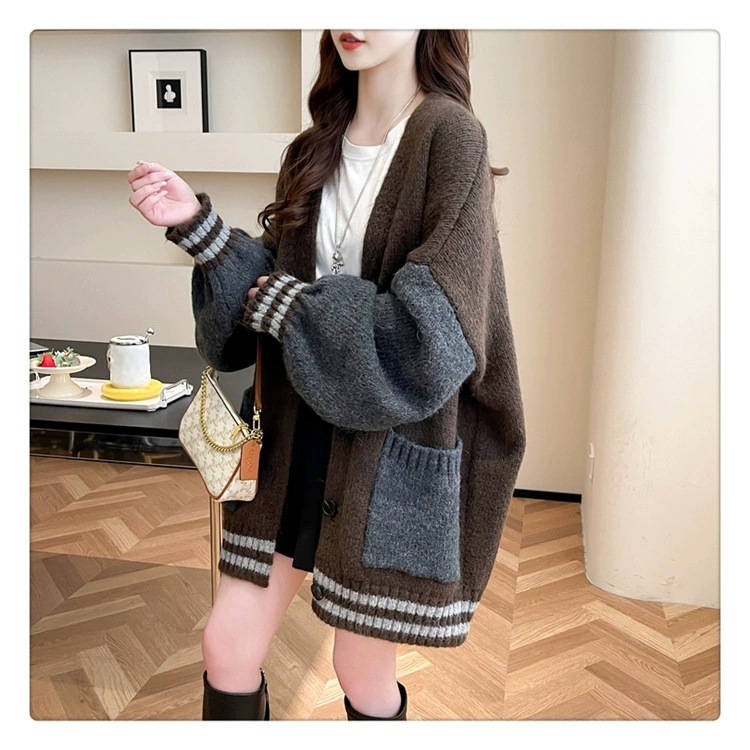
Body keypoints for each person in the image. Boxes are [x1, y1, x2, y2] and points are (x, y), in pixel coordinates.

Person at [127, 29, 526, 721]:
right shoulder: (316, 144)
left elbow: (435, 329)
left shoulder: (450, 136)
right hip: (292, 438)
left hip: (383, 450)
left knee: (360, 671)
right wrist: (201, 230)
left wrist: (297, 309)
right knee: (227, 646)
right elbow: (270, 292)